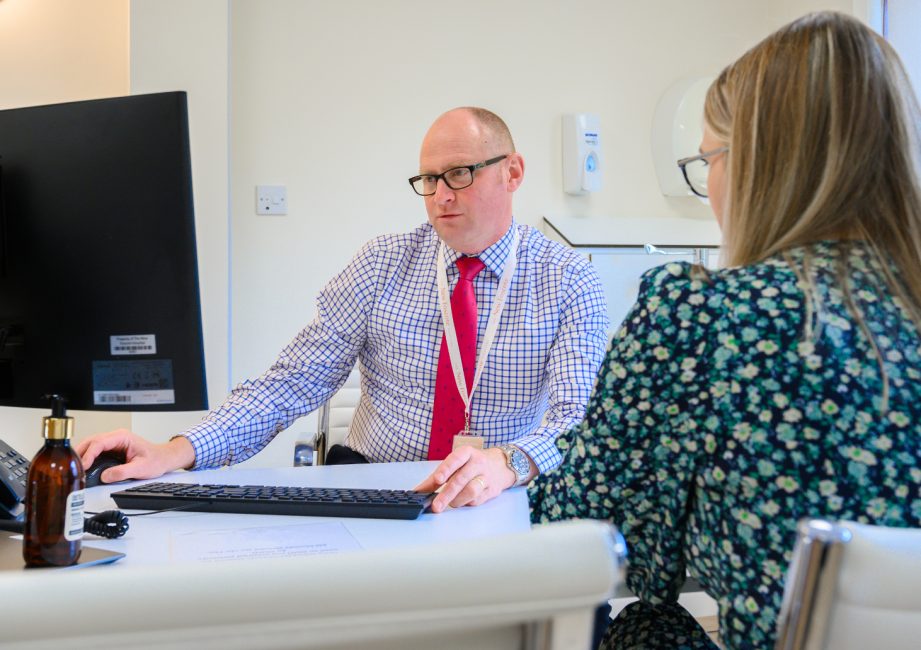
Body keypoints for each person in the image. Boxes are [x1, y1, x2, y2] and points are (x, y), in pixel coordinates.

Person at [530, 11, 921, 649]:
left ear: (761, 165)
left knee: (644, 627)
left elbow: (576, 522)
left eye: (708, 157)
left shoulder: (698, 316)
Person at [78, 107, 609, 513]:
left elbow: (578, 420)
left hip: (490, 494)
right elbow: (293, 383)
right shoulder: (382, 263)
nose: (440, 196)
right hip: (374, 488)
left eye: (459, 174)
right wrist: (176, 450)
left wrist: (508, 463)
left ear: (512, 172)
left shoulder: (568, 279)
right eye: (428, 179)